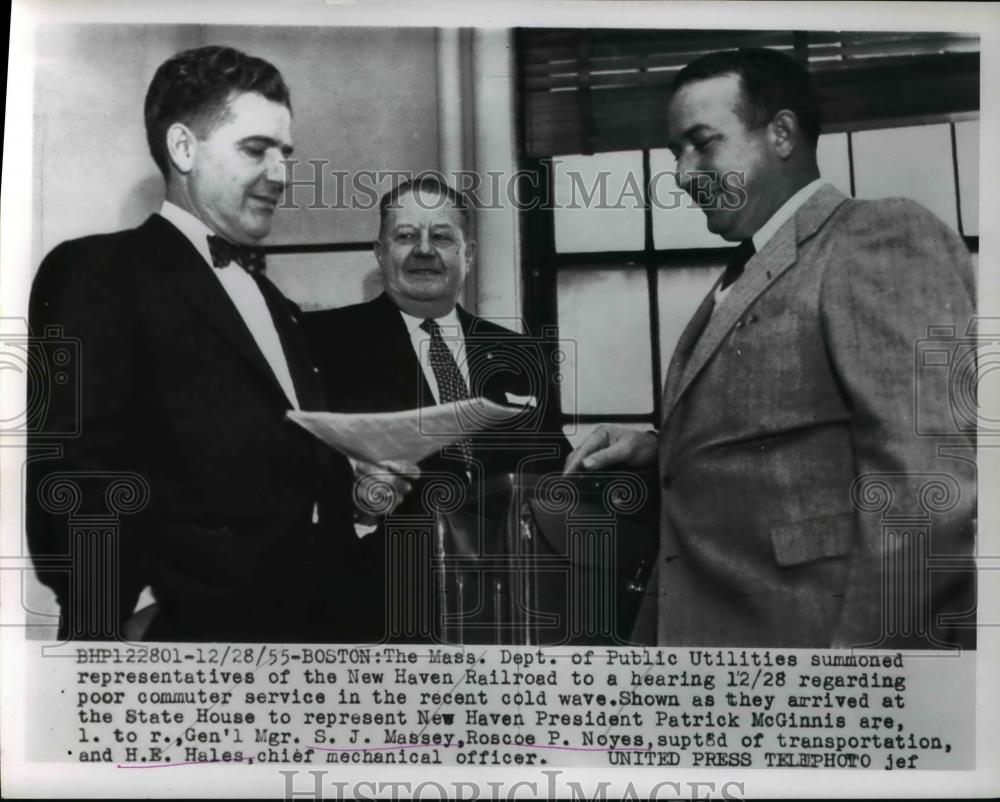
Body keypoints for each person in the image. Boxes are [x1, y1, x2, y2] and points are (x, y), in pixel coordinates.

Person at [564, 48, 977, 649]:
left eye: (702, 142)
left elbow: (930, 488)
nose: (681, 174)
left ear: (781, 134)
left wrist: (857, 683)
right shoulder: (753, 264)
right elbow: (787, 444)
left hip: (820, 663)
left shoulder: (876, 237)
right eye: (676, 150)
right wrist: (657, 451)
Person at [27, 45, 408, 642]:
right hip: (181, 647)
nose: (281, 174)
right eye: (256, 150)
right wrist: (130, 619)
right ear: (183, 149)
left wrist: (351, 486)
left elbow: (260, 473)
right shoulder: (97, 272)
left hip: (315, 640)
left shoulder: (274, 305)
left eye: (286, 154)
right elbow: (72, 488)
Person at [304, 176, 572, 641]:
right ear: (379, 251)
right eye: (406, 236)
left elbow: (552, 472)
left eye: (442, 237)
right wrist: (357, 503)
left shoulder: (520, 354)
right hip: (376, 610)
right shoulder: (320, 344)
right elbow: (294, 476)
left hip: (507, 614)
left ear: (467, 254)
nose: (424, 250)